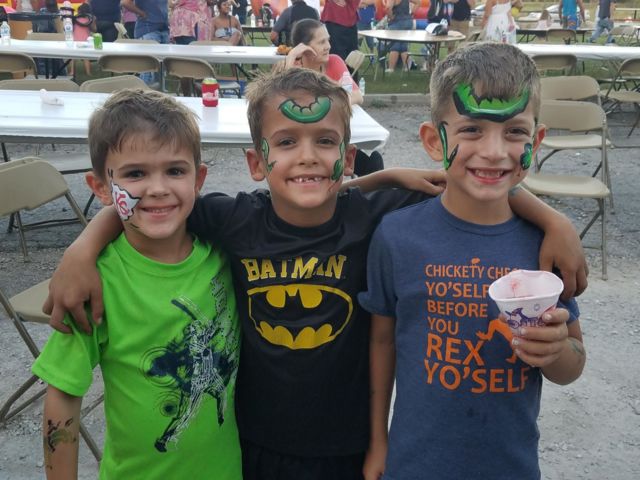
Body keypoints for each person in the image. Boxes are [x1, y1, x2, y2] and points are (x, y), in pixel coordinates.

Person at [43, 68, 587, 480]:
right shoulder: (233, 220)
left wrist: (553, 219)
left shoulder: (376, 217)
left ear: (346, 158)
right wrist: (81, 249)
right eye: (286, 143)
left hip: (347, 446)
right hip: (254, 444)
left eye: (324, 142)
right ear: (257, 162)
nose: (306, 156)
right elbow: (151, 204)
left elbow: (475, 183)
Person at [359, 42, 587, 480]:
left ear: (537, 141)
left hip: (510, 468)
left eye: (515, 132)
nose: (495, 151)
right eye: (472, 130)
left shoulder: (546, 247)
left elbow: (573, 364)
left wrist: (556, 350)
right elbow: (382, 343)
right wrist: (378, 443)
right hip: (413, 465)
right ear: (434, 140)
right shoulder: (397, 236)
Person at [32, 89, 242, 479]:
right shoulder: (95, 284)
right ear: (100, 187)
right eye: (135, 174)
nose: (158, 188)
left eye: (175, 171)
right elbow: (62, 395)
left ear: (198, 179)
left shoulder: (226, 253)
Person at [284, 18, 382, 175]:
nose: (328, 46)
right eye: (321, 42)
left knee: (374, 163)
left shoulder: (334, 62)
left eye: (328, 40)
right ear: (304, 48)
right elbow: (285, 104)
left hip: (331, 139)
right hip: (302, 145)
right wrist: (291, 59)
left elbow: (357, 96)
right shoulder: (292, 70)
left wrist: (325, 104)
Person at [122, 0, 169, 84]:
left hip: (163, 28)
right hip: (147, 28)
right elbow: (125, 2)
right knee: (148, 69)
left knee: (161, 70)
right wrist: (142, 13)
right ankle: (145, 91)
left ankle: (158, 90)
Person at [383, 0, 419, 73]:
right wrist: (412, 13)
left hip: (397, 22)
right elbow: (418, 2)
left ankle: (391, 68)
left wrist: (391, 17)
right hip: (408, 21)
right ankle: (406, 68)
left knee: (395, 45)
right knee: (404, 46)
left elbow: (388, 7)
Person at [71, 2, 97, 76]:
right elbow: (94, 29)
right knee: (86, 57)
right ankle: (88, 72)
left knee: (72, 57)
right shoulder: (91, 18)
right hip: (86, 40)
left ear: (79, 11)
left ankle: (72, 71)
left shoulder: (75, 18)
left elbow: (72, 29)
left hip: (75, 39)